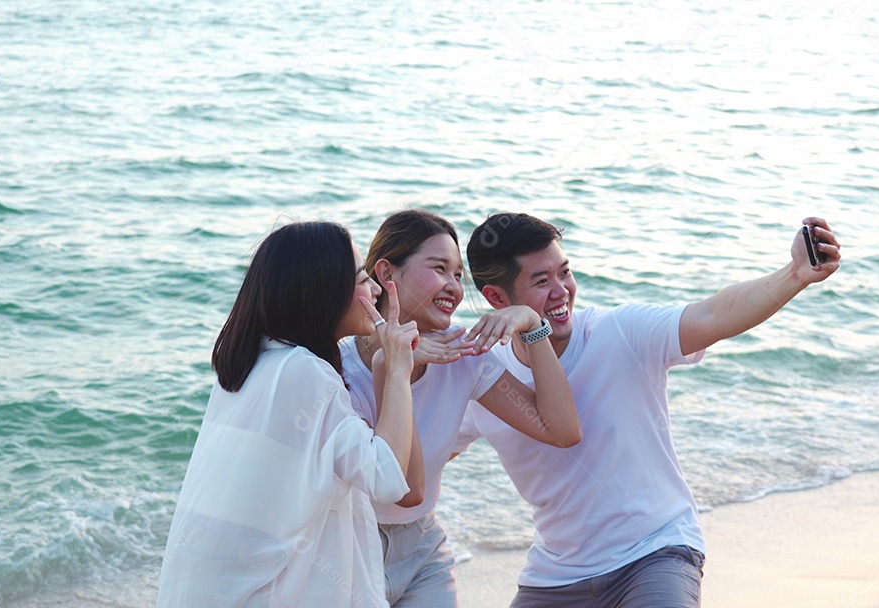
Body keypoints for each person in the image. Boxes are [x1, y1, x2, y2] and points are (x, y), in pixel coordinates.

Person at [455, 213, 842, 607]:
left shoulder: (620, 332)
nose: (562, 291)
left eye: (565, 273)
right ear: (497, 299)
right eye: (541, 281)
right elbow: (429, 453)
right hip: (555, 576)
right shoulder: (486, 378)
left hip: (655, 552)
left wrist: (795, 273)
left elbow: (713, 315)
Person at [157, 221, 420, 607]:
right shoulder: (304, 371)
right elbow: (386, 478)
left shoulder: (251, 363)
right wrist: (397, 368)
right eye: (364, 279)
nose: (376, 290)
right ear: (323, 288)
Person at [341, 209, 581, 607]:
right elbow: (403, 489)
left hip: (422, 550)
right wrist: (398, 365)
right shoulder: (338, 371)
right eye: (439, 269)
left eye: (458, 275)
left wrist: (532, 324)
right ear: (386, 274)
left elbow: (561, 430)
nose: (454, 286)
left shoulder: (463, 353)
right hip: (345, 549)